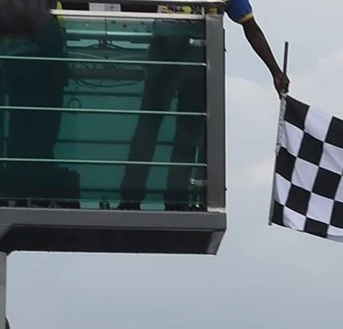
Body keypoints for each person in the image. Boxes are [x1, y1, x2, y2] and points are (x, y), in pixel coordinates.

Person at [116, 2, 289, 210]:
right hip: (165, 52)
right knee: (149, 125)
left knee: (186, 128)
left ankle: (175, 200)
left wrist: (275, 72)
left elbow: (251, 28)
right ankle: (131, 198)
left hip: (198, 56)